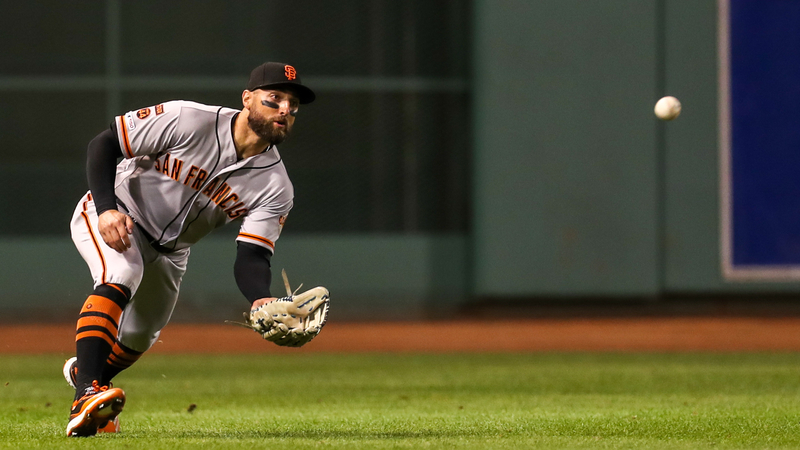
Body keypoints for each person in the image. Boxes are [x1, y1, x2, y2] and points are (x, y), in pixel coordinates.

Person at [63, 62, 315, 437]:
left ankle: (89, 374)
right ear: (247, 99)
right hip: (119, 213)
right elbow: (103, 144)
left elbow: (252, 255)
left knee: (140, 336)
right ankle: (86, 393)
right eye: (273, 98)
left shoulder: (276, 186)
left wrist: (260, 298)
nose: (284, 109)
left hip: (172, 251)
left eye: (292, 105)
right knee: (122, 274)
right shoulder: (188, 119)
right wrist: (106, 210)